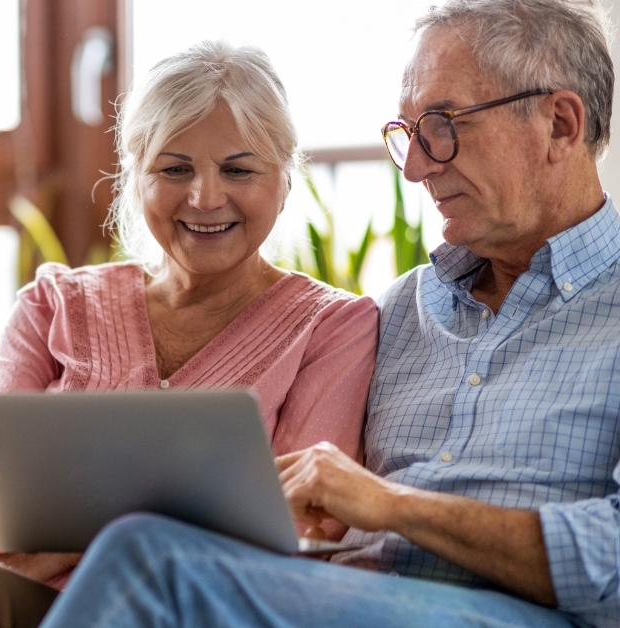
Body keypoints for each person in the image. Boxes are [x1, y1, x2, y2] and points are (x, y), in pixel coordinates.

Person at [35, 0, 620, 627]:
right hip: (341, 599)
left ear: (559, 124)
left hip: (519, 615)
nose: (418, 167)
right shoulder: (399, 311)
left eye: (443, 126)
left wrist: (393, 506)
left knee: (151, 562)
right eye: (409, 134)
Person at [0, 40, 379, 628]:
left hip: (192, 610)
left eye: (239, 169)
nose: (205, 197)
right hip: (43, 603)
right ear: (135, 177)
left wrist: (85, 534)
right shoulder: (53, 303)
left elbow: (304, 522)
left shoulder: (334, 326)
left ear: (286, 181)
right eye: (174, 168)